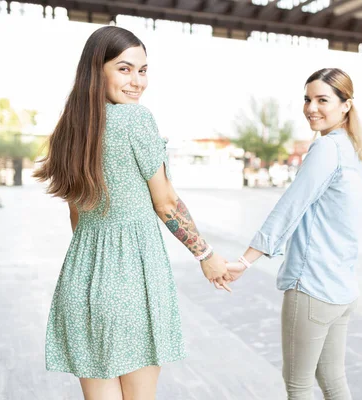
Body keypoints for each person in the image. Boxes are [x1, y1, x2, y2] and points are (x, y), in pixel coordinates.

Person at [33, 26, 231, 400]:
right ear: (97, 69)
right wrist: (205, 255)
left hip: (82, 280)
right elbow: (166, 202)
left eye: (143, 70)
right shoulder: (135, 120)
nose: (137, 81)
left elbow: (77, 215)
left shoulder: (70, 130)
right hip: (132, 281)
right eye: (125, 69)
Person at [225, 68, 362, 400]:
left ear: (345, 105)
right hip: (341, 289)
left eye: (322, 100)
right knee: (334, 381)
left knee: (300, 385)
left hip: (312, 287)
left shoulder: (327, 149)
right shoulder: (351, 150)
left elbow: (290, 207)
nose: (311, 108)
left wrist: (244, 262)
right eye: (307, 99)